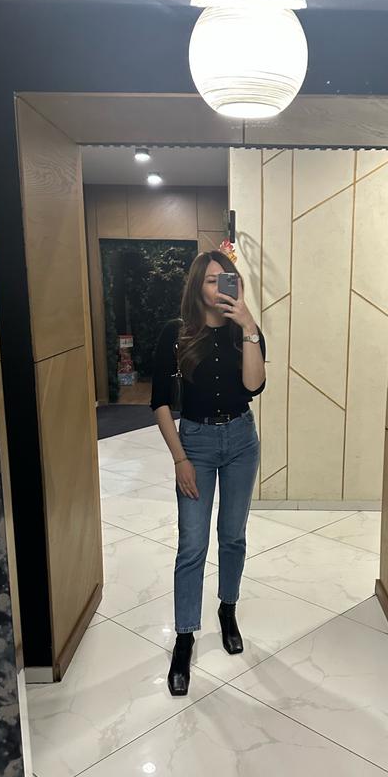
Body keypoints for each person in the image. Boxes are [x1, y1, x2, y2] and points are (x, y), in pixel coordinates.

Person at [150, 251, 266, 696]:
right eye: (212, 280)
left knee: (233, 536)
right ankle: (184, 636)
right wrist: (180, 459)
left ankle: (227, 609)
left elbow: (254, 386)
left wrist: (249, 326)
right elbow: (160, 401)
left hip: (241, 441)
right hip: (195, 444)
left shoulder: (244, 331)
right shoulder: (175, 333)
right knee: (192, 544)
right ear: (197, 286)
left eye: (227, 279)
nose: (220, 288)